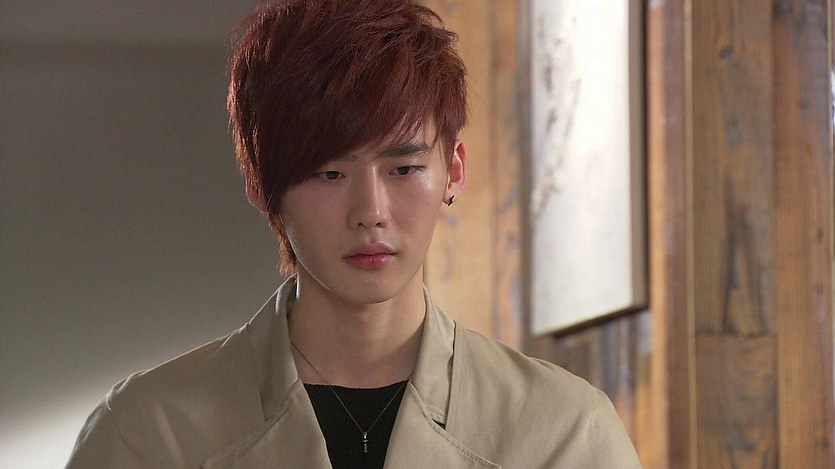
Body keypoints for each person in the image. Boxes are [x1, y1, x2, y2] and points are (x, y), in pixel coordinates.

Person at [67, 1, 643, 467]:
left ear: (453, 171)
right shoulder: (146, 435)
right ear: (263, 185)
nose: (370, 211)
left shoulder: (565, 433)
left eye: (404, 169)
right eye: (329, 174)